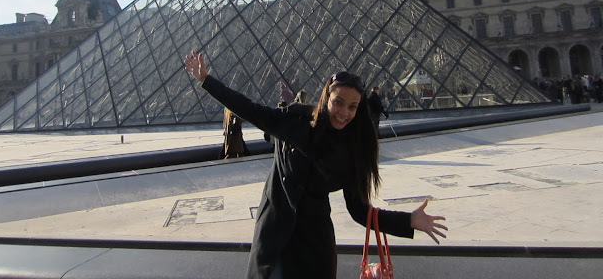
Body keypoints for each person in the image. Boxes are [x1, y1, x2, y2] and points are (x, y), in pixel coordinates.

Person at [184, 50, 447, 278]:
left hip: (314, 242)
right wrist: (206, 80)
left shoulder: (353, 151)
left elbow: (359, 210)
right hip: (274, 233)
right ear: (326, 97)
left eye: (352, 107)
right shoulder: (293, 121)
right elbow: (248, 108)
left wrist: (408, 221)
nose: (344, 113)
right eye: (338, 102)